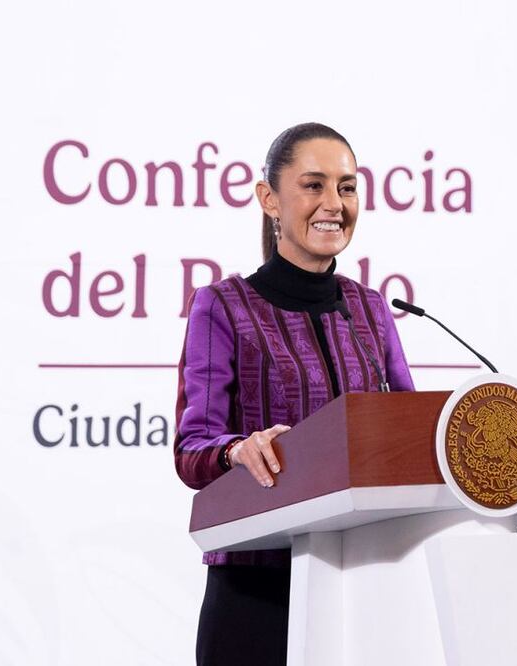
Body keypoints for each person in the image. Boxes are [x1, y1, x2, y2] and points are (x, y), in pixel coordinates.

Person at [172, 122, 415, 666]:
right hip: (257, 592)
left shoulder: (372, 310)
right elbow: (192, 450)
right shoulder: (224, 306)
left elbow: (411, 434)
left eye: (347, 188)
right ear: (269, 199)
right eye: (313, 185)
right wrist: (239, 449)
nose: (334, 203)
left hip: (362, 589)